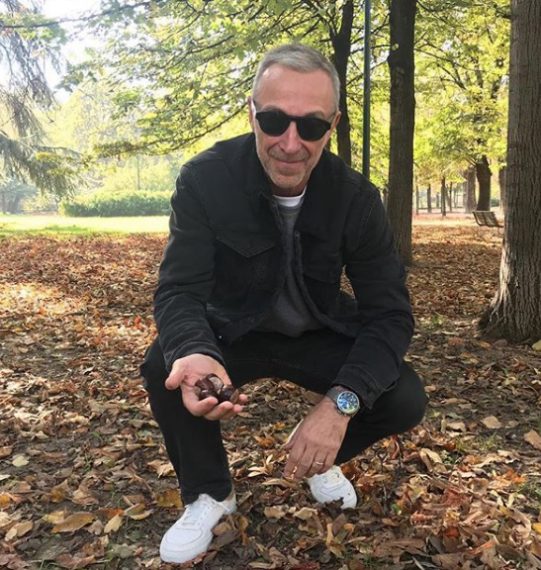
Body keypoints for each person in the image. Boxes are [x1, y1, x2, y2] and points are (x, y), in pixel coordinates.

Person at [141, 43, 427, 564]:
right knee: (165, 362)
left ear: (332, 126)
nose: (290, 143)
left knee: (403, 396)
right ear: (252, 113)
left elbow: (390, 314)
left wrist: (340, 404)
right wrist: (193, 349)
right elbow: (179, 288)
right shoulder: (204, 179)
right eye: (274, 120)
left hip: (317, 333)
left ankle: (320, 454)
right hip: (233, 331)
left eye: (311, 126)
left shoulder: (357, 199)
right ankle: (209, 494)